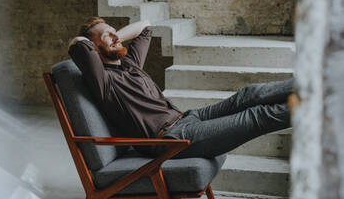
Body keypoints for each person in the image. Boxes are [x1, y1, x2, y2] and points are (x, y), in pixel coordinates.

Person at [68, 17, 293, 159]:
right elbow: (77, 43)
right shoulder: (103, 81)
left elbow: (145, 26)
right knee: (258, 115)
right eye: (107, 36)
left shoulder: (130, 64)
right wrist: (101, 39)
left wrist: (112, 35)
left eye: (115, 31)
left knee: (249, 94)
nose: (116, 36)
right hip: (170, 139)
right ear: (95, 50)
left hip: (189, 117)